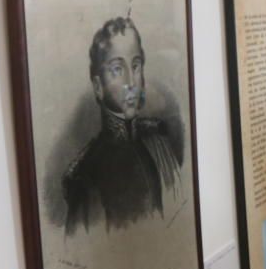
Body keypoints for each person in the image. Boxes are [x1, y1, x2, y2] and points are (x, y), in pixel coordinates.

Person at [63, 16, 183, 234]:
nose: (131, 81)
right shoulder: (86, 176)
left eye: (136, 66)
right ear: (99, 87)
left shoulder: (159, 141)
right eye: (117, 69)